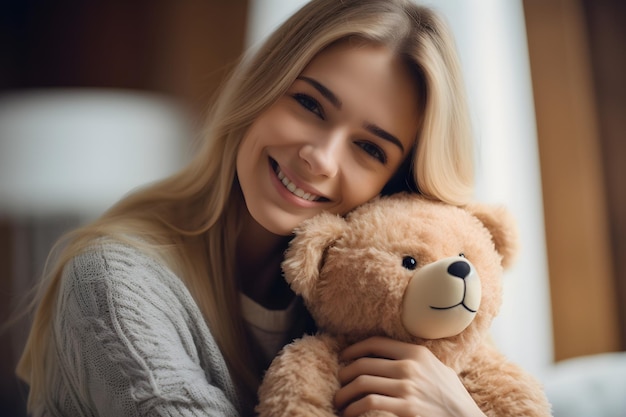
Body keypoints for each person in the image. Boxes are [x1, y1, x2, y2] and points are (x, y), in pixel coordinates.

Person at [16, 0, 482, 415]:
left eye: (370, 148)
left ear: (398, 186)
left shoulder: (381, 304)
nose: (319, 158)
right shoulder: (112, 284)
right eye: (309, 104)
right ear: (262, 88)